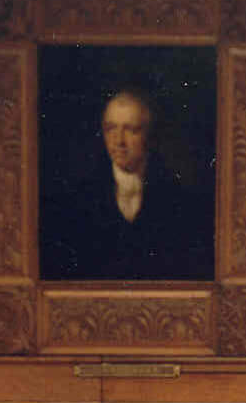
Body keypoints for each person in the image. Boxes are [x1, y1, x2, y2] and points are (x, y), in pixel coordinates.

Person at [41, 88, 212, 282]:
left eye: (131, 130)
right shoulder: (79, 197)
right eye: (111, 129)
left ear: (148, 135)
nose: (119, 141)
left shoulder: (177, 198)